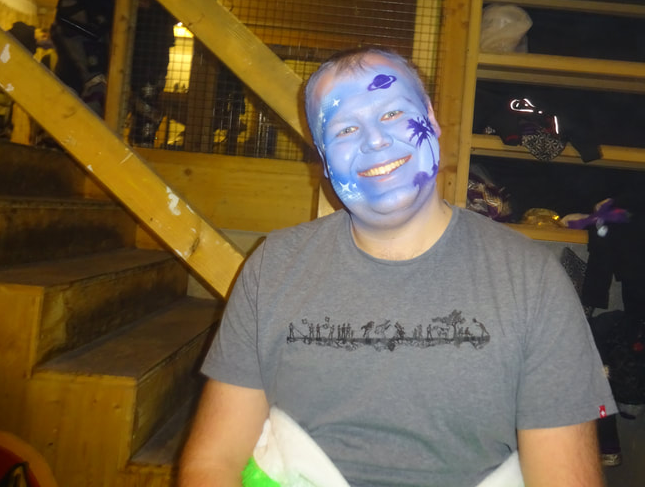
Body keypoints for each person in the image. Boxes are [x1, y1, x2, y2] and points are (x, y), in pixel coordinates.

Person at [178, 48, 616, 486]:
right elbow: (213, 463)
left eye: (391, 114)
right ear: (323, 159)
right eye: (346, 128)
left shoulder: (531, 280)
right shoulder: (272, 267)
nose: (375, 141)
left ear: (432, 120)